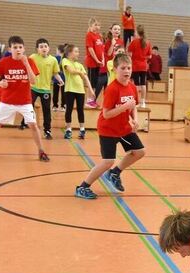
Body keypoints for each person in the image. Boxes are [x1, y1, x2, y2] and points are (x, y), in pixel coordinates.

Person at [74, 53, 145, 199]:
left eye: (129, 68)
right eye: (123, 68)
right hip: (108, 129)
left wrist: (135, 119)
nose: (127, 71)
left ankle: (115, 172)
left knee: (139, 151)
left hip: (123, 128)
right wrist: (125, 106)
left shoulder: (132, 87)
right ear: (115, 70)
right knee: (108, 161)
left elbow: (133, 106)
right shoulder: (112, 89)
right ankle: (82, 187)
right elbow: (106, 114)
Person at [0, 36, 48, 162]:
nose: (18, 50)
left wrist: (26, 64)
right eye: (15, 47)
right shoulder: (4, 62)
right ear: (10, 49)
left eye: (20, 47)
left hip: (25, 101)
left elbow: (33, 81)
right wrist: (0, 84)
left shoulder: (29, 61)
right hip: (7, 101)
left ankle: (41, 151)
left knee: (33, 125)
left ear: (24, 49)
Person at [19, 38, 64, 139]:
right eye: (41, 47)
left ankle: (47, 130)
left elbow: (55, 73)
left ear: (49, 48)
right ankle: (24, 122)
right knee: (28, 106)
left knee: (47, 111)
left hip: (46, 90)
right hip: (33, 87)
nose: (43, 48)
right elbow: (25, 68)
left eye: (45, 46)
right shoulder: (33, 57)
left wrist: (60, 80)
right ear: (37, 49)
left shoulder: (53, 60)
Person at [62, 44, 95, 140]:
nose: (78, 53)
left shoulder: (80, 65)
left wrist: (90, 89)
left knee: (80, 110)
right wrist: (80, 72)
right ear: (69, 53)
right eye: (76, 51)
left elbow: (85, 77)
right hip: (69, 90)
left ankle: (82, 129)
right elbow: (71, 71)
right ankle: (68, 129)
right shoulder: (65, 61)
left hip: (80, 91)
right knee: (69, 109)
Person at [127, 25, 151, 108]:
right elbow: (150, 56)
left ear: (137, 32)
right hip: (144, 66)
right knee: (143, 84)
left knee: (136, 84)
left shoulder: (134, 42)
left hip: (136, 65)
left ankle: (136, 102)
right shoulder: (148, 42)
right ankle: (143, 102)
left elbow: (129, 54)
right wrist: (143, 57)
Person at [84, 17, 104, 107]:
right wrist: (97, 60)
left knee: (96, 82)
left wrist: (102, 59)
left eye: (99, 25)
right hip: (92, 63)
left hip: (98, 63)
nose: (97, 27)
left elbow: (101, 49)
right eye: (95, 25)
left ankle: (93, 100)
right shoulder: (89, 35)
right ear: (91, 25)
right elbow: (91, 49)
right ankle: (89, 100)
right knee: (91, 82)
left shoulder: (99, 36)